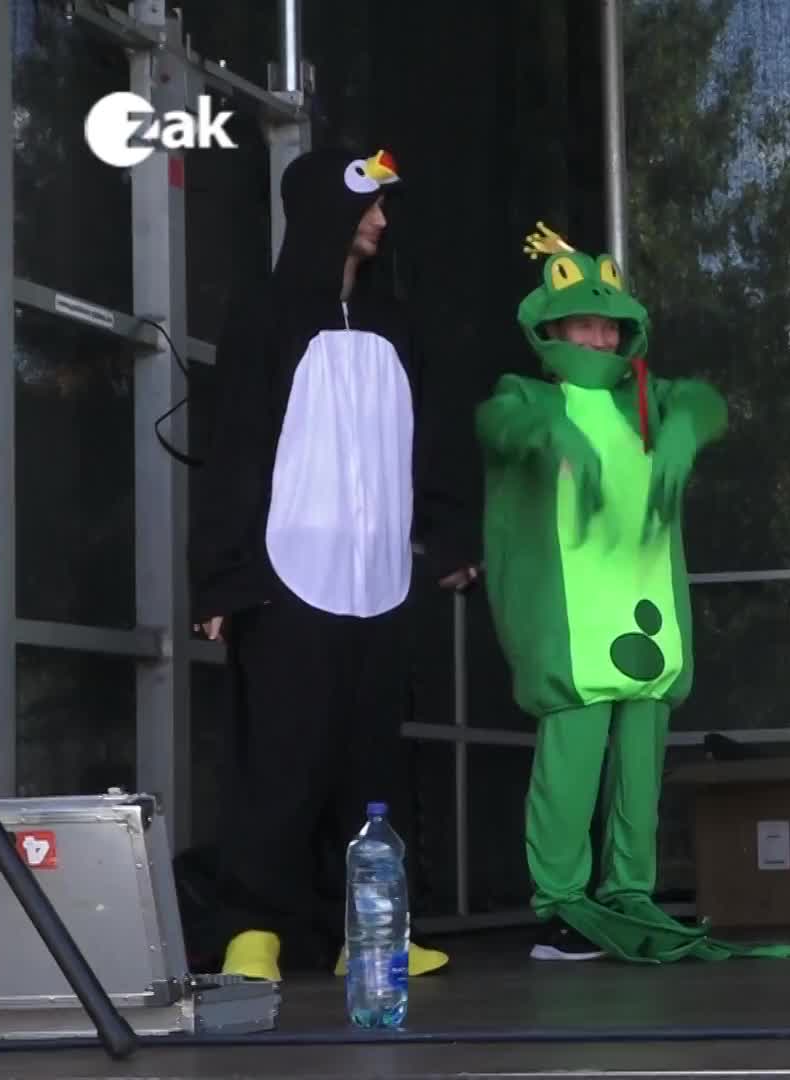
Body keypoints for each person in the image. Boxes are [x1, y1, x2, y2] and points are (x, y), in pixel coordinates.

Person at [477, 224, 790, 964]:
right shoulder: (527, 395)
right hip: (574, 627)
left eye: (609, 326)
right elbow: (498, 424)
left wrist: (684, 432)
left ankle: (630, 891)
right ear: (552, 328)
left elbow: (705, 401)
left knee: (639, 772)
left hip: (648, 618)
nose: (599, 338)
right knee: (570, 771)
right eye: (583, 324)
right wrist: (551, 435)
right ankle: (562, 904)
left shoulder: (648, 401)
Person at [189, 147, 481, 981]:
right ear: (324, 212)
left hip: (379, 578)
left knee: (373, 765)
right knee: (278, 760)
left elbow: (433, 439)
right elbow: (234, 447)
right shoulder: (265, 314)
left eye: (383, 208)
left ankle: (373, 932)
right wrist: (224, 575)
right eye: (367, 208)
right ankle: (254, 930)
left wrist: (449, 538)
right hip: (286, 578)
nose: (381, 222)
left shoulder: (400, 323)